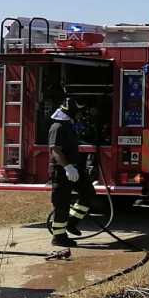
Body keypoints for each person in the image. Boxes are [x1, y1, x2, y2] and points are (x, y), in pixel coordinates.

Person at [48, 97, 94, 247]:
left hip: (74, 168)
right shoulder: (57, 127)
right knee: (62, 204)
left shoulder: (69, 125)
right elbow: (55, 150)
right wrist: (67, 167)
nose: (81, 115)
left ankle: (72, 223)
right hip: (62, 171)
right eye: (79, 113)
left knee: (88, 193)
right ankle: (59, 237)